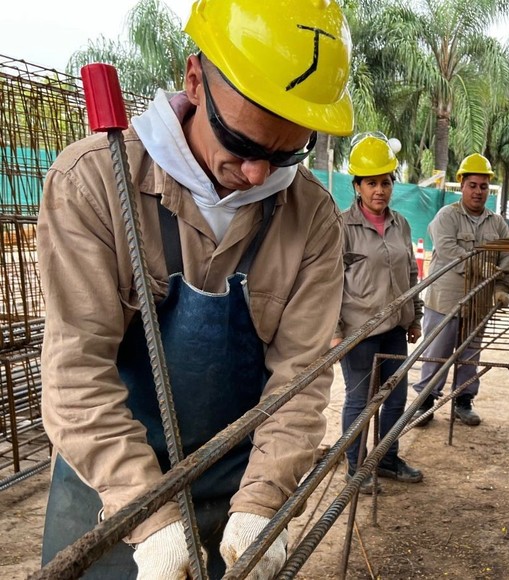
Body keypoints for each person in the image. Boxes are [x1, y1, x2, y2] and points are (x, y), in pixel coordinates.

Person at [37, 1, 353, 578]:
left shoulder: (310, 217)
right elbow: (75, 374)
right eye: (242, 142)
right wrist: (149, 517)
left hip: (238, 484)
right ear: (194, 79)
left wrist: (262, 507)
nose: (257, 174)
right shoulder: (94, 183)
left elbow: (301, 380)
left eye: (286, 153)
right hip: (110, 487)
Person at [331, 133, 424, 493]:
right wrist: (335, 330)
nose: (380, 190)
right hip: (359, 331)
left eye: (385, 182)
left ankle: (387, 458)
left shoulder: (401, 224)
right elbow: (329, 282)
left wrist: (414, 316)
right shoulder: (342, 226)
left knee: (396, 398)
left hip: (395, 327)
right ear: (357, 186)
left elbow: (411, 273)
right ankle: (357, 468)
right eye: (371, 183)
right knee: (360, 401)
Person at [412, 153, 509, 426]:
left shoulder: (498, 224)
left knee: (470, 356)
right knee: (436, 353)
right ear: (462, 186)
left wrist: (501, 288)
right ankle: (425, 402)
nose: (478, 191)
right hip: (445, 301)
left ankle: (463, 401)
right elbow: (448, 250)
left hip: (479, 304)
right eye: (473, 185)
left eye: (483, 186)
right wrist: (482, 267)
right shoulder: (447, 216)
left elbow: (506, 260)